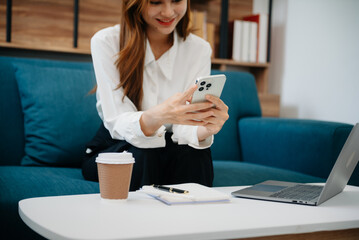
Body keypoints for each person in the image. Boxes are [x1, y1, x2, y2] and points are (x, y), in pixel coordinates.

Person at [82, 0, 229, 191]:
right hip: (116, 146)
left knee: (195, 153)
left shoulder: (199, 49)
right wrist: (159, 115)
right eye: (155, 2)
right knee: (144, 153)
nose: (168, 12)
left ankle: (198, 219)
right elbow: (117, 119)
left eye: (176, 0)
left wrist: (206, 128)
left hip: (169, 149)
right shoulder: (106, 41)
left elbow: (185, 129)